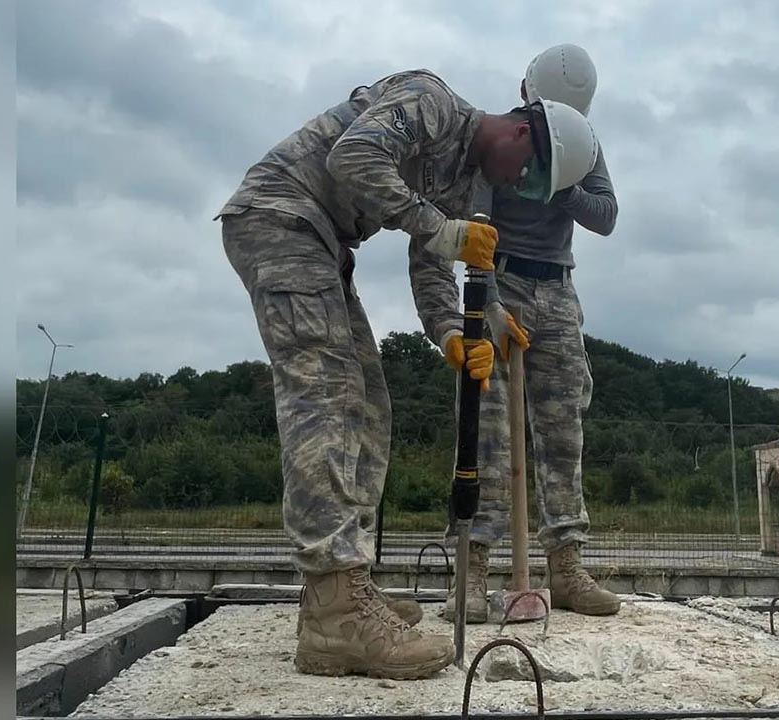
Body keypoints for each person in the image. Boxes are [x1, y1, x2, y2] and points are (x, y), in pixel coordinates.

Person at [215, 69, 599, 679]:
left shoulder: (461, 180)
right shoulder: (434, 102)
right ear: (523, 129)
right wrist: (441, 228)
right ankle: (336, 605)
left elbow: (431, 265)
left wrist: (451, 333)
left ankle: (343, 591)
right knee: (329, 399)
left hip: (322, 240)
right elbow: (354, 156)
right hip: (280, 214)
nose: (518, 184)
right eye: (527, 170)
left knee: (368, 405)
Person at [410, 45, 620, 623]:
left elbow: (606, 216)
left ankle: (566, 565)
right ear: (527, 97)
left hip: (558, 292)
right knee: (486, 426)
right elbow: (475, 227)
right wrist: (490, 303)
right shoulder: (501, 141)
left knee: (563, 430)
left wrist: (563, 181)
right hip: (498, 285)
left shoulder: (585, 145)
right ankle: (471, 572)